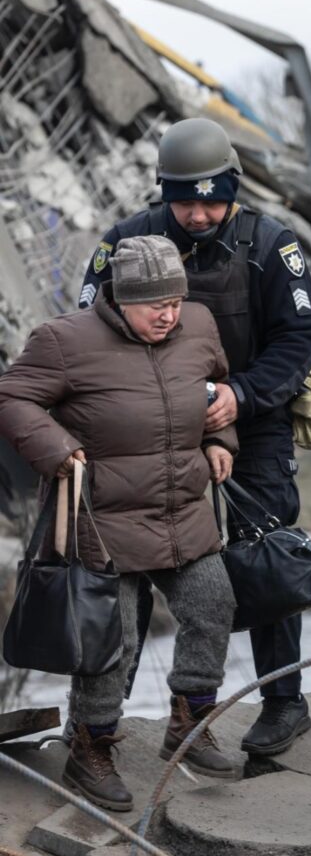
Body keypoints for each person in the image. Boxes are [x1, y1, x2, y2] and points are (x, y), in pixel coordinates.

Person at [78, 118, 311, 757]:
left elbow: (298, 339)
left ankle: (283, 700)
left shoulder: (271, 245)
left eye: (213, 199)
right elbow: (86, 330)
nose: (199, 213)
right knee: (125, 568)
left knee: (265, 554)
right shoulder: (126, 242)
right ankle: (108, 722)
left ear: (234, 190)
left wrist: (238, 395)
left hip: (254, 416)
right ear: (164, 193)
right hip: (145, 428)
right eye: (184, 200)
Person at [0, 236, 238, 811]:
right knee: (114, 640)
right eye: (154, 304)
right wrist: (55, 447)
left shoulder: (199, 327)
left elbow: (212, 393)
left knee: (214, 605)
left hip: (183, 508)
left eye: (175, 302)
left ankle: (189, 724)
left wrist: (219, 435)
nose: (167, 314)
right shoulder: (64, 340)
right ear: (119, 298)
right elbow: (11, 397)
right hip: (103, 516)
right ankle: (92, 746)